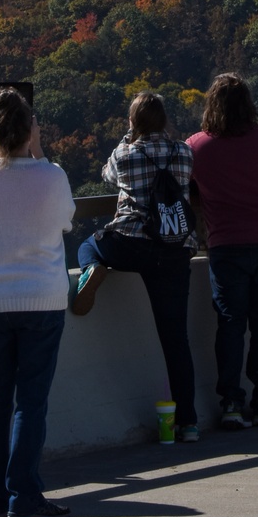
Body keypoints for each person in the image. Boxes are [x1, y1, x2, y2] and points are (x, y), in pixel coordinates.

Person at [0, 86, 75, 517]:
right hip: (41, 299)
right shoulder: (53, 176)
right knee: (31, 401)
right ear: (30, 130)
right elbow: (65, 220)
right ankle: (23, 496)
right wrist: (38, 152)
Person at [71, 92, 199, 441]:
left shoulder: (126, 154)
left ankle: (91, 269)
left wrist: (130, 135)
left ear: (134, 121)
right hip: (175, 250)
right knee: (176, 340)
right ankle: (188, 422)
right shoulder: (184, 152)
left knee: (90, 244)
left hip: (131, 244)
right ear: (164, 119)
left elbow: (107, 174)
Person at [187, 74, 258, 430]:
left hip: (226, 245)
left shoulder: (197, 147)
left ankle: (231, 401)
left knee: (230, 324)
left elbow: (190, 190)